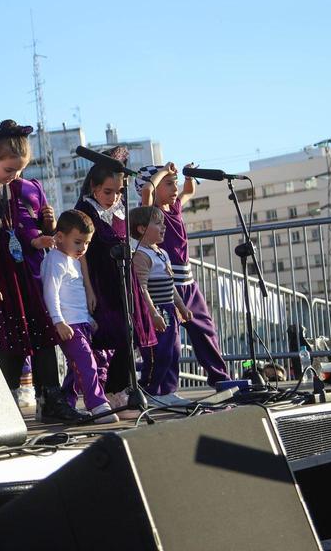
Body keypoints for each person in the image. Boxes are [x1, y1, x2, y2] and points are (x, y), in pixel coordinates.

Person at [0, 120, 79, 422]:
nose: (14, 177)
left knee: (41, 333)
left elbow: (18, 231)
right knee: (7, 339)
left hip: (18, 270)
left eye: (19, 171)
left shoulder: (7, 188)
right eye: (9, 170)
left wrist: (46, 226)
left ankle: (49, 397)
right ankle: (3, 405)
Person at [75, 162, 156, 408]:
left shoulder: (121, 209)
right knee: (118, 334)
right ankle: (112, 391)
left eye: (119, 191)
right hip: (102, 281)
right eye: (108, 191)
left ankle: (127, 388)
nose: (114, 197)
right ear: (94, 187)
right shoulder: (84, 210)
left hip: (123, 278)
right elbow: (83, 255)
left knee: (133, 333)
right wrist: (88, 288)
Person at [142, 164, 229, 390]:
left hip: (189, 284)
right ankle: (165, 389)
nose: (174, 188)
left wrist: (188, 174)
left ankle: (222, 380)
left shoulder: (175, 208)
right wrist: (161, 171)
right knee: (171, 342)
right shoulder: (151, 212)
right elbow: (147, 192)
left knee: (206, 331)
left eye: (174, 183)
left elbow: (189, 190)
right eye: (168, 184)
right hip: (168, 286)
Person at [41, 210, 117, 423]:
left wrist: (87, 318)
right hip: (68, 324)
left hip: (79, 321)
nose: (82, 248)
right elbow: (50, 292)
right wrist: (58, 321)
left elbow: (75, 295)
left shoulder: (72, 259)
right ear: (60, 237)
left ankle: (66, 402)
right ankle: (97, 405)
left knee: (78, 367)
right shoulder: (55, 260)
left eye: (86, 243)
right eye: (78, 242)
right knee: (85, 362)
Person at [128, 205, 193, 404]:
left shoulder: (162, 253)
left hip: (169, 309)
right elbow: (142, 288)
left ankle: (168, 390)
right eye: (158, 223)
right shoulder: (141, 255)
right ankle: (151, 391)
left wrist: (181, 306)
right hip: (156, 311)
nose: (163, 227)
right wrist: (153, 313)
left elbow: (170, 284)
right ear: (141, 229)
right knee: (158, 353)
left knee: (174, 350)